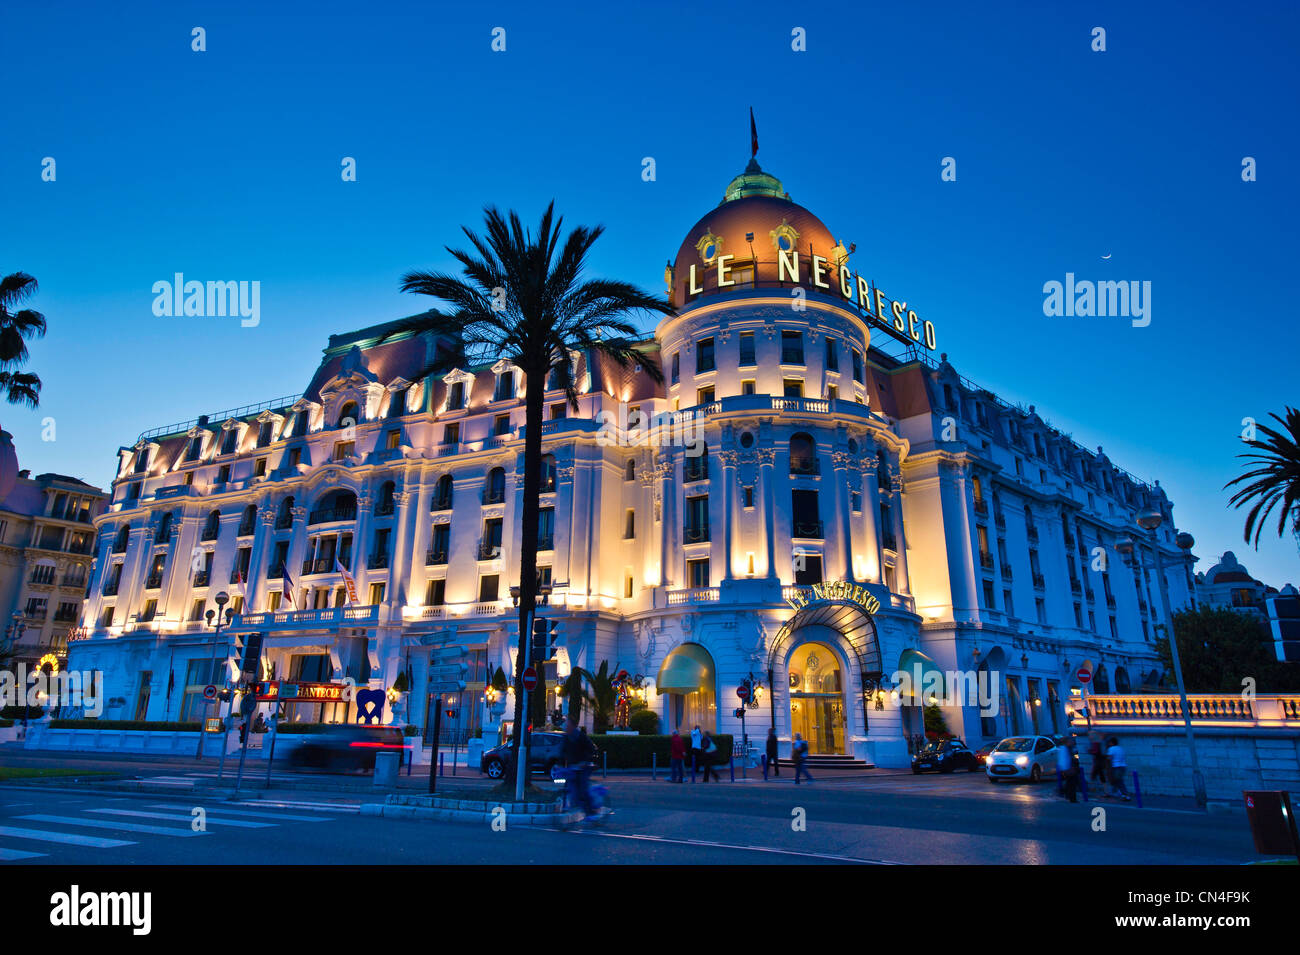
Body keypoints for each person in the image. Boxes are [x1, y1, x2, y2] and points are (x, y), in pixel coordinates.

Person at [561, 716, 601, 818]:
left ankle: (591, 812)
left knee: (582, 789)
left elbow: (592, 749)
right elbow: (563, 752)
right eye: (566, 725)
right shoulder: (566, 738)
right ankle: (576, 805)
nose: (566, 727)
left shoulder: (581, 737)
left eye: (568, 725)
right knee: (570, 786)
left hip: (584, 766)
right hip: (572, 767)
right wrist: (559, 764)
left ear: (573, 726)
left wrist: (585, 761)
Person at [1106, 736, 1131, 801]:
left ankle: (1125, 795)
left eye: (1109, 742)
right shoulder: (1120, 748)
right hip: (1123, 766)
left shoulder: (1111, 749)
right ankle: (1117, 793)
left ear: (1112, 743)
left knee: (1119, 781)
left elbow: (1109, 758)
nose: (1108, 744)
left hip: (1116, 767)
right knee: (1117, 781)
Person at [1057, 736, 1079, 802]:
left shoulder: (1065, 748)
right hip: (1068, 769)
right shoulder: (1064, 749)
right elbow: (1064, 759)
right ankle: (1071, 797)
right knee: (1072, 782)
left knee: (1070, 782)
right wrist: (1065, 769)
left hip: (1068, 768)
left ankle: (1068, 794)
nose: (1071, 742)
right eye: (1069, 741)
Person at [1088, 731, 1109, 796]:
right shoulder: (1102, 742)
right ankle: (1105, 791)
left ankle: (1095, 789)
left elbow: (1095, 751)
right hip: (1102, 761)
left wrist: (1089, 751)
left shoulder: (1096, 743)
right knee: (1101, 776)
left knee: (1095, 776)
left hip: (1098, 762)